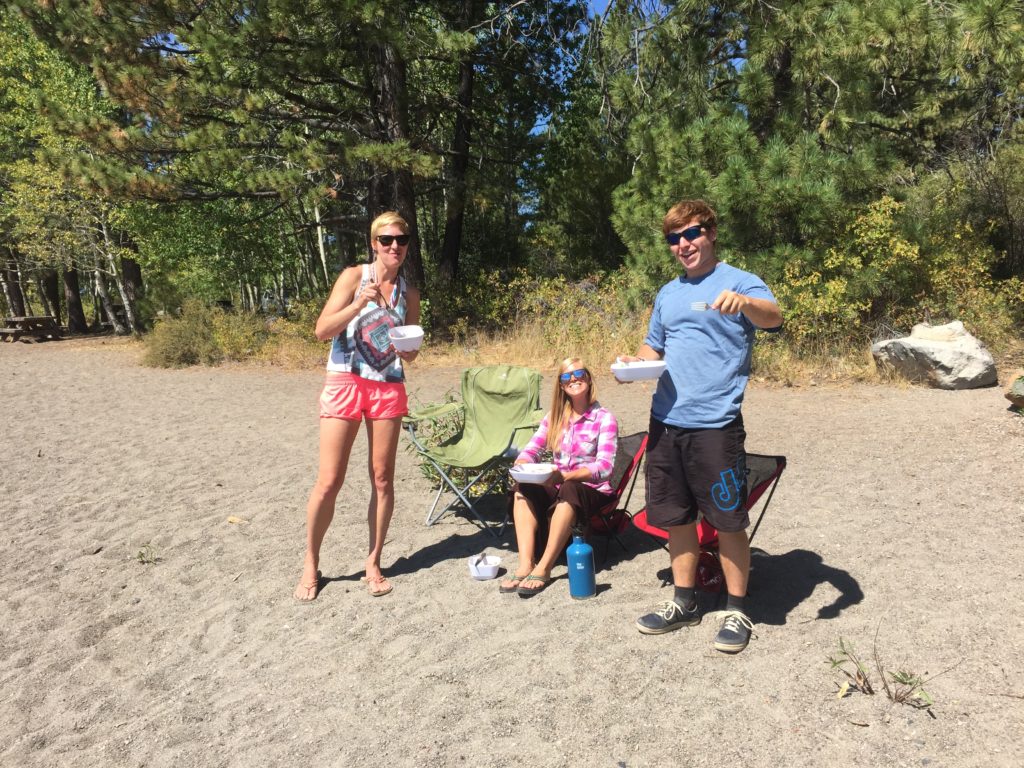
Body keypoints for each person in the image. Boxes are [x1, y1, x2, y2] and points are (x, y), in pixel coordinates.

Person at [619, 200, 782, 652]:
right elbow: (654, 348)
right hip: (665, 423)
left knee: (727, 521)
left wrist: (747, 303)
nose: (683, 245)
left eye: (690, 234)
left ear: (710, 232)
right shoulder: (668, 293)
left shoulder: (739, 281)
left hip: (715, 424)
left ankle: (736, 609)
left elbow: (775, 318)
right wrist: (634, 364)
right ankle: (685, 602)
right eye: (674, 239)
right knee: (676, 519)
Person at [293, 211, 421, 601]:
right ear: (374, 244)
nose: (394, 246)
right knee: (329, 480)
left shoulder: (410, 293)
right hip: (345, 382)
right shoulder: (353, 277)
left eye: (401, 239)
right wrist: (357, 304)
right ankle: (311, 562)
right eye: (386, 240)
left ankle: (373, 561)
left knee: (382, 479)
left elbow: (410, 354)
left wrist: (408, 348)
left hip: (387, 387)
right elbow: (321, 331)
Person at [499, 358, 618, 598]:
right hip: (560, 484)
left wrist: (565, 475)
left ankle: (544, 567)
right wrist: (523, 462)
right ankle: (525, 564)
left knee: (570, 488)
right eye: (567, 377)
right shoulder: (555, 416)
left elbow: (604, 467)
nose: (574, 379)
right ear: (561, 386)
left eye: (579, 374)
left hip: (591, 489)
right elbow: (532, 448)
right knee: (523, 488)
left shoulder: (604, 418)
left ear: (589, 377)